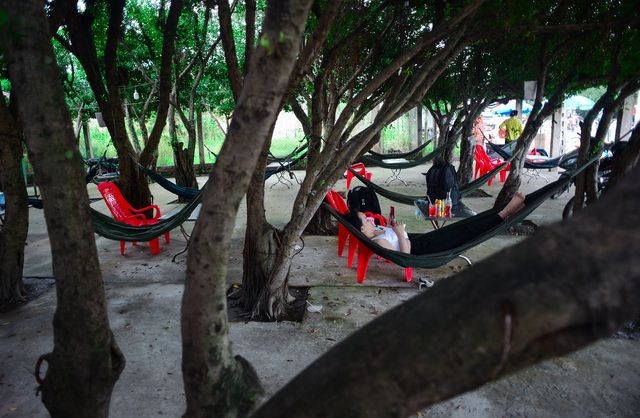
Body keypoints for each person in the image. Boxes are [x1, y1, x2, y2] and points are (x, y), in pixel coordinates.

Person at [344, 192, 526, 255]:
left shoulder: (374, 232)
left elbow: (391, 236)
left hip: (423, 241)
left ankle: (505, 213)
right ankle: (505, 213)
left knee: (466, 225)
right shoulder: (378, 242)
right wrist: (399, 234)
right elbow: (404, 258)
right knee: (468, 232)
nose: (370, 218)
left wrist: (390, 226)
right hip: (425, 249)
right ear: (361, 228)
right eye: (366, 219)